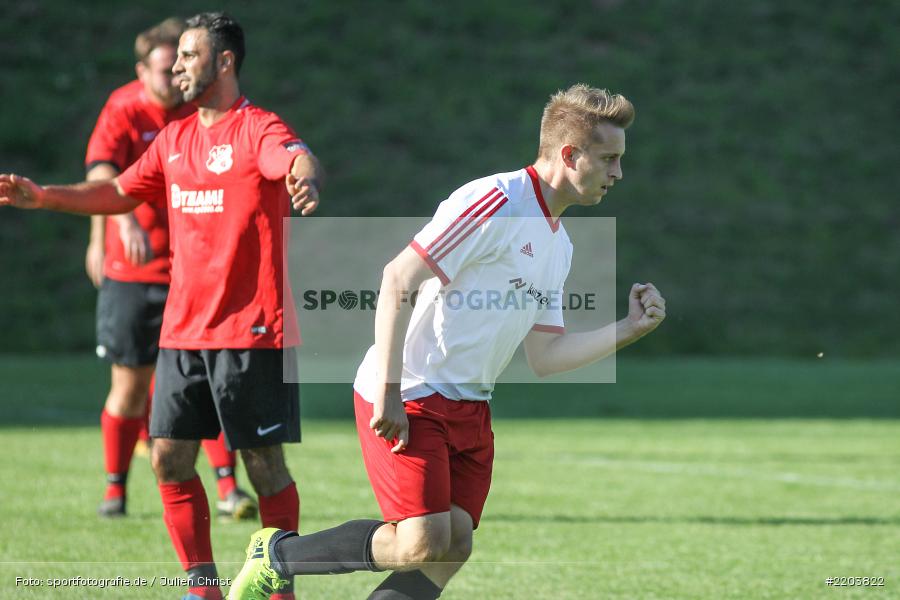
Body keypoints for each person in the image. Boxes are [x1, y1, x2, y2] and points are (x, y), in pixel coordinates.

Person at [225, 84, 667, 600]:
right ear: (570, 155)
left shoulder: (559, 245)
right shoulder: (496, 201)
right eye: (609, 159)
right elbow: (397, 278)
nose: (618, 174)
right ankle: (278, 556)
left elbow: (545, 356)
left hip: (471, 407)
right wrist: (390, 389)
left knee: (453, 543)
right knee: (420, 543)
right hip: (411, 391)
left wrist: (629, 328)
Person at [1, 12, 322, 600]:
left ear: (224, 62)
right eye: (172, 58)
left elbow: (293, 156)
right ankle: (203, 588)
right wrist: (44, 197)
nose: (176, 67)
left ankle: (280, 590)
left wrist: (304, 176)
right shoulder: (175, 140)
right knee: (170, 460)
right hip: (182, 332)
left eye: (188, 56)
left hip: (251, 331)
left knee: (264, 467)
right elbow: (119, 190)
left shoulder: (257, 128)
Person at [85, 16, 256, 522]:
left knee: (209, 383)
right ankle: (115, 490)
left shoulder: (198, 109)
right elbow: (101, 173)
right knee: (132, 385)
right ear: (142, 71)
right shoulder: (122, 108)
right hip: (133, 273)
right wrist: (120, 226)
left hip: (191, 275)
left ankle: (229, 488)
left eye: (181, 63)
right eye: (165, 67)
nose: (174, 76)